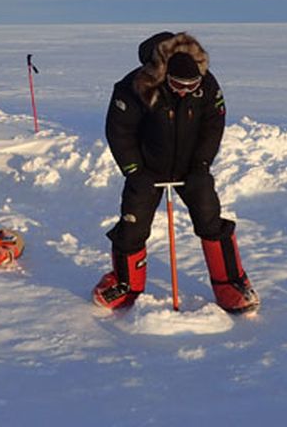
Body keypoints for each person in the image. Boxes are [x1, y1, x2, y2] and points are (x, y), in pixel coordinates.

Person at [92, 31, 260, 314]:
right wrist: (134, 170)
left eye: (191, 86)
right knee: (132, 225)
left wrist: (202, 164)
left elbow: (212, 126)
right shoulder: (136, 85)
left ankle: (231, 283)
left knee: (210, 218)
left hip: (191, 166)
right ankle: (125, 283)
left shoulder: (207, 85)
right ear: (165, 75)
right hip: (146, 169)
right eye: (178, 85)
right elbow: (120, 131)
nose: (184, 91)